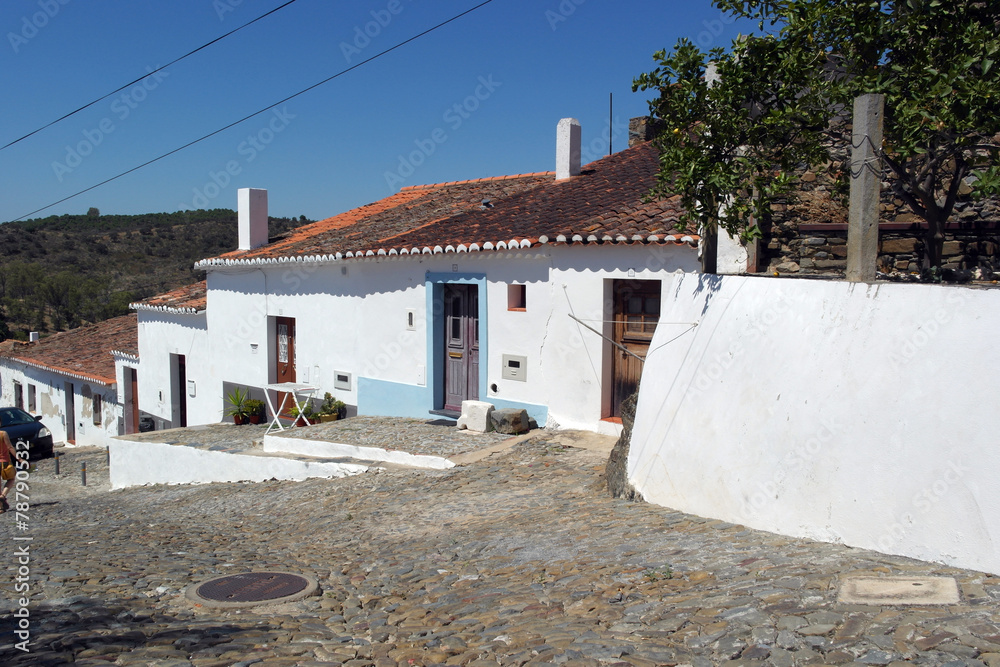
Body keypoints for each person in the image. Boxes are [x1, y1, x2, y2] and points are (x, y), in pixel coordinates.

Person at [0, 430, 17, 513]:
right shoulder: (3, 434)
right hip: (4, 461)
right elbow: (9, 447)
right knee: (11, 479)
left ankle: (1, 507)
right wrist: (19, 459)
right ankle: (3, 496)